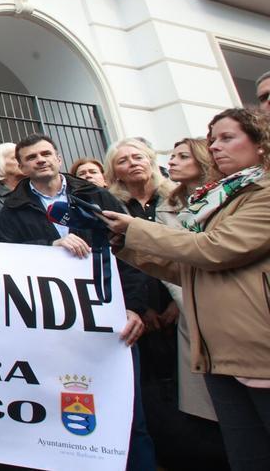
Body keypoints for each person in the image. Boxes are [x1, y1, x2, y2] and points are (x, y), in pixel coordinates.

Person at [103, 108, 270, 470]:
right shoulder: (218, 198)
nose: (216, 148)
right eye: (212, 141)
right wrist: (125, 246)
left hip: (259, 348)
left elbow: (214, 250)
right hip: (217, 350)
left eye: (227, 138)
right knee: (247, 457)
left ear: (260, 144)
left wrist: (135, 229)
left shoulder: (262, 193)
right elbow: (189, 269)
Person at [0, 134, 156, 470]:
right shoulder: (10, 211)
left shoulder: (96, 196)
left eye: (45, 154)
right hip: (57, 328)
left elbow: (132, 254)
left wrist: (134, 308)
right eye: (31, 158)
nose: (40, 160)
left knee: (128, 416)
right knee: (68, 419)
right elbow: (6, 263)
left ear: (57, 156)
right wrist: (48, 247)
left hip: (111, 320)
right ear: (22, 167)